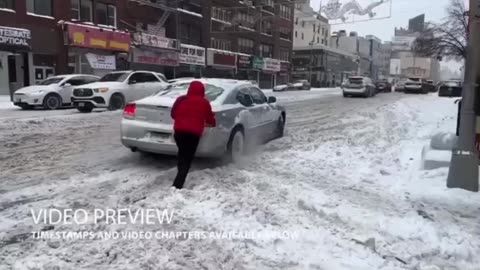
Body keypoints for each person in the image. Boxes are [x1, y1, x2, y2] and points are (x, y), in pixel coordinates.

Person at [170, 81, 216, 189]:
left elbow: (173, 114)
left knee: (182, 154)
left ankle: (179, 176)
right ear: (202, 91)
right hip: (193, 134)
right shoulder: (204, 102)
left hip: (179, 132)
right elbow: (210, 120)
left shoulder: (181, 99)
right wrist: (211, 121)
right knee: (187, 157)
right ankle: (178, 184)